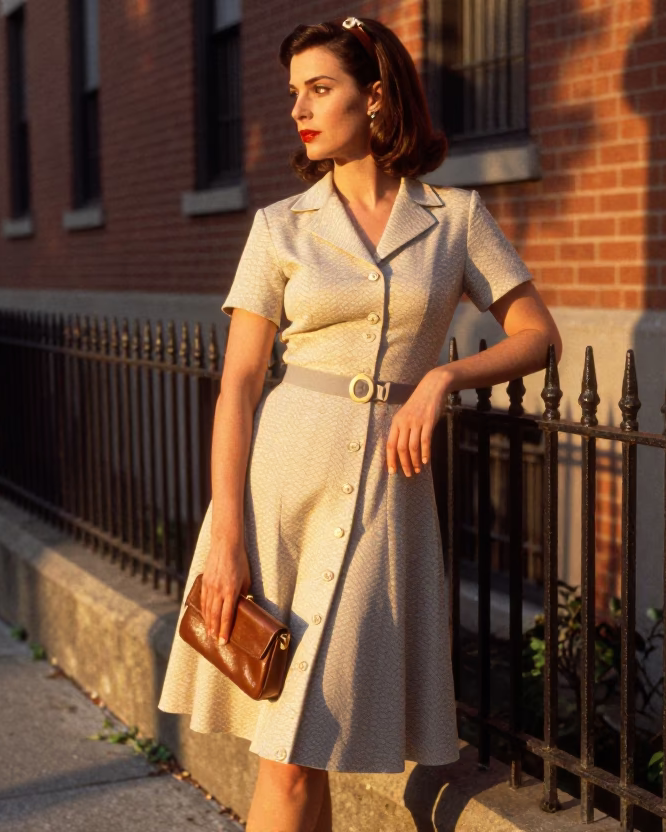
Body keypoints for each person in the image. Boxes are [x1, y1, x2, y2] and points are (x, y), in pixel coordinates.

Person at [156, 15, 562, 832]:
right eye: (293, 93)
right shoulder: (280, 227)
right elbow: (237, 384)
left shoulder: (454, 219)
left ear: (374, 98)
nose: (300, 110)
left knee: (307, 740)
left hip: (384, 499)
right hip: (279, 493)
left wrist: (441, 376)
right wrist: (226, 533)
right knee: (292, 756)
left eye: (320, 89)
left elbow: (539, 336)